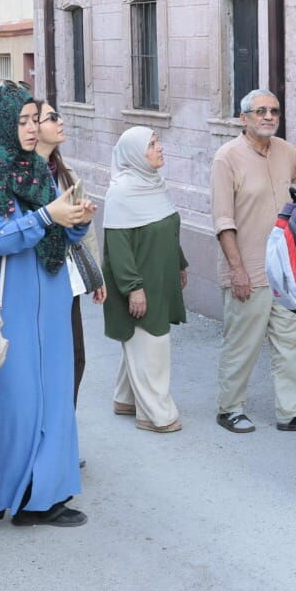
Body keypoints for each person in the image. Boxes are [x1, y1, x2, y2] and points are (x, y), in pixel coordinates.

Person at [0, 84, 94, 525]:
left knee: (54, 398)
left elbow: (54, 234)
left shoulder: (36, 169)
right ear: (0, 124)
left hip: (49, 299)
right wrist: (47, 216)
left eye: (36, 119)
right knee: (11, 403)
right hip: (2, 304)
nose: (33, 129)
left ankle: (42, 498)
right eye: (23, 121)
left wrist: (74, 222)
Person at [209, 90, 296, 435]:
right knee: (242, 343)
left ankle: (291, 412)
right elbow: (223, 220)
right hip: (248, 271)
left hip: (284, 270)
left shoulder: (286, 152)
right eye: (261, 111)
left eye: (274, 111)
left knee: (291, 342)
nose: (269, 116)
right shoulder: (226, 158)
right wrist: (237, 270)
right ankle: (229, 409)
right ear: (244, 119)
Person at [102, 128, 189, 434]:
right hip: (140, 282)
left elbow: (166, 225)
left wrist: (179, 263)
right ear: (135, 154)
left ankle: (125, 398)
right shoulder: (122, 192)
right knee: (153, 344)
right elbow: (118, 248)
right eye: (152, 145)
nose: (160, 148)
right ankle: (154, 414)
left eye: (157, 142)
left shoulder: (153, 183)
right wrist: (132, 289)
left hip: (160, 274)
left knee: (141, 342)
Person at [35, 100, 106, 407]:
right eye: (51, 117)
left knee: (75, 359)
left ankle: (65, 434)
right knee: (45, 362)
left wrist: (96, 272)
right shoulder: (21, 176)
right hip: (37, 279)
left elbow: (84, 226)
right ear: (30, 127)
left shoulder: (65, 172)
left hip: (68, 279)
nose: (60, 121)